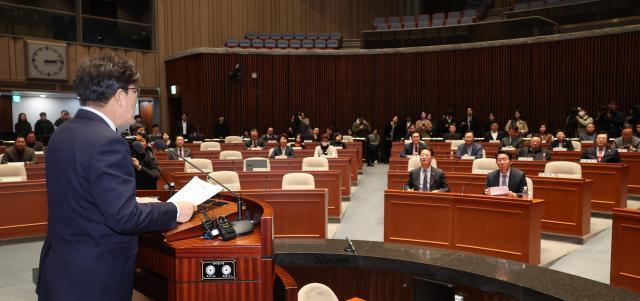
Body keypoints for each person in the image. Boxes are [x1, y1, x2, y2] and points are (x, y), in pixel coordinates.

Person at [36, 54, 195, 301]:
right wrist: (175, 210)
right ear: (120, 95)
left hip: (61, 272)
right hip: (94, 281)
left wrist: (136, 202)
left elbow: (82, 197)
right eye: (135, 91)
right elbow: (123, 218)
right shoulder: (107, 142)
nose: (136, 98)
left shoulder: (62, 133)